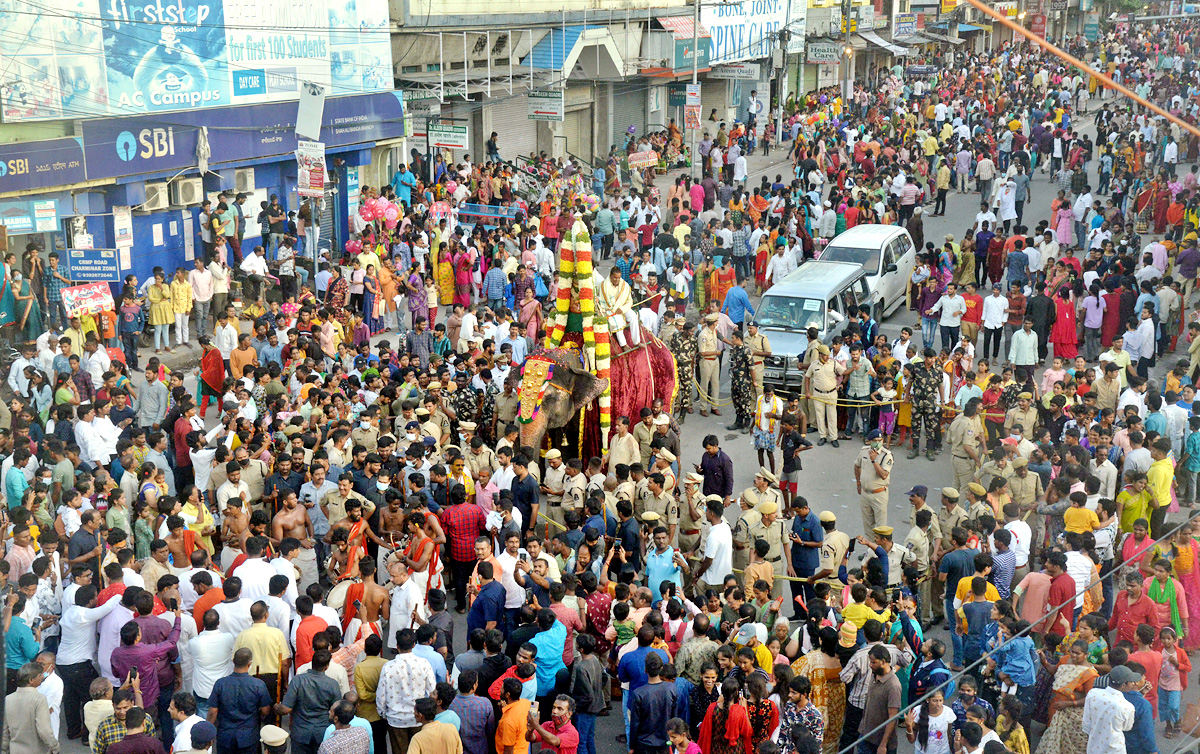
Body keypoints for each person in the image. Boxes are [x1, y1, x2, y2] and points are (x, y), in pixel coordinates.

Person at [3, 662, 60, 754]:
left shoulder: (8, 699)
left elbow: (4, 731)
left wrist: (3, 749)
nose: (42, 676)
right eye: (40, 675)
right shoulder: (39, 699)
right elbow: (44, 730)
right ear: (31, 680)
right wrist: (55, 747)